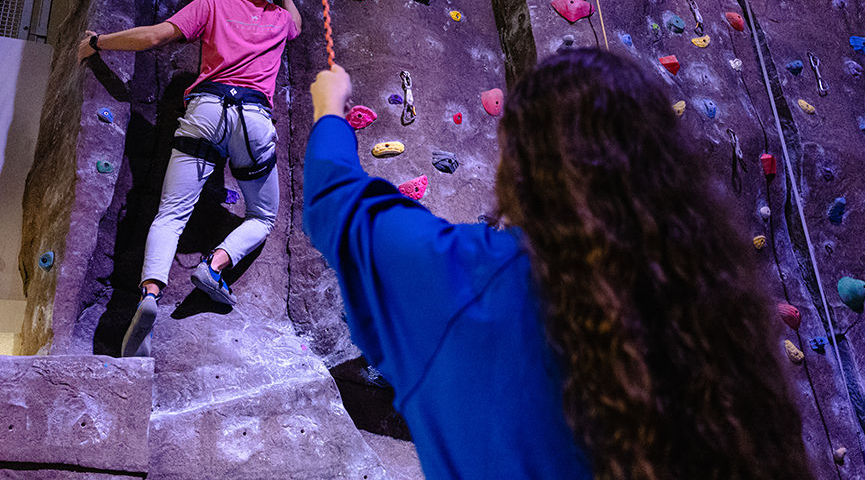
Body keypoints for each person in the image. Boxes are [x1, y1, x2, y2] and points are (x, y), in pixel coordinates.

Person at [303, 50, 816, 479]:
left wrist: (329, 109)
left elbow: (339, 203)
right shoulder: (713, 320)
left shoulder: (475, 281)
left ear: (521, 167)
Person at [78, 0, 302, 358]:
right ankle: (214, 267)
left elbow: (155, 37)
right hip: (253, 121)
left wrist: (98, 42)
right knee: (262, 216)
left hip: (207, 110)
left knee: (170, 214)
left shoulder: (211, 5)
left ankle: (149, 296)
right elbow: (298, 26)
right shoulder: (282, 19)